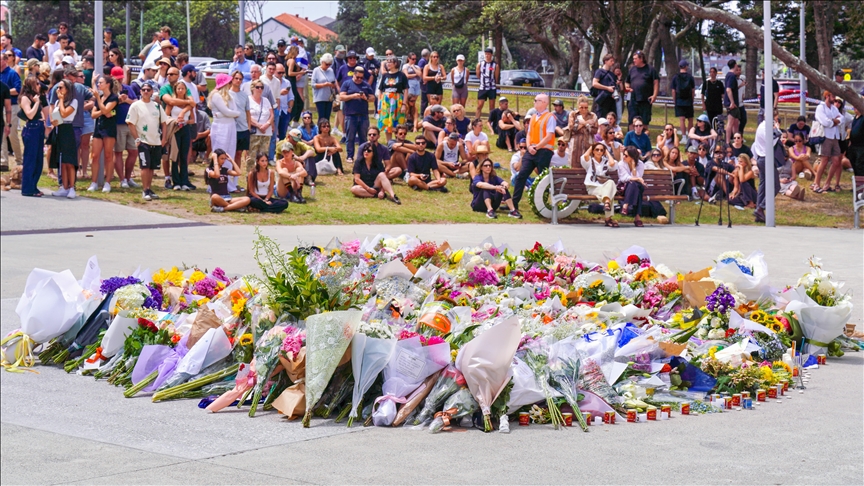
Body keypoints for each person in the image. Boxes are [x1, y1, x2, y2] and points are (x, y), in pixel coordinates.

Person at [125, 80, 168, 201]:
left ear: (152, 92)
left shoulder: (157, 106)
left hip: (156, 140)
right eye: (143, 90)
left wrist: (164, 138)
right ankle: (145, 190)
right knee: (144, 166)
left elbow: (164, 123)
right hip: (143, 141)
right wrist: (137, 138)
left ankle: (149, 188)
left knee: (152, 167)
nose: (145, 92)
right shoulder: (136, 105)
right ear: (140, 91)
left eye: (148, 90)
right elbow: (130, 123)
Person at [512, 94, 556, 210]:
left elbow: (549, 135)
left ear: (544, 102)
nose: (534, 102)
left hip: (544, 151)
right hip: (531, 150)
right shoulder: (533, 117)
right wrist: (529, 146)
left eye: (536, 101)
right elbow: (529, 134)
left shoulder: (550, 117)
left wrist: (536, 147)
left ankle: (543, 205)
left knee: (543, 179)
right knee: (521, 175)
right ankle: (514, 203)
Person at [86, 75, 119, 192]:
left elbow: (106, 110)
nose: (99, 85)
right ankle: (94, 182)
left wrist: (101, 105)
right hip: (98, 128)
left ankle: (108, 182)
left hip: (109, 129)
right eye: (98, 83)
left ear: (107, 84)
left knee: (108, 155)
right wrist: (104, 111)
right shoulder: (99, 96)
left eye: (101, 83)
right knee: (95, 156)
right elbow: (94, 114)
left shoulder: (114, 98)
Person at [18, 77, 47, 197]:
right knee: (30, 159)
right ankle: (27, 188)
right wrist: (36, 103)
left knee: (38, 160)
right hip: (32, 129)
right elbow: (29, 115)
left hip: (39, 128)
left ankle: (33, 186)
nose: (39, 85)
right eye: (37, 84)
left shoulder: (37, 97)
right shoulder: (25, 98)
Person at [751, 111, 782, 223]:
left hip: (763, 158)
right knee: (775, 185)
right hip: (765, 159)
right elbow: (771, 140)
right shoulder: (764, 127)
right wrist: (777, 129)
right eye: (776, 118)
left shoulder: (764, 126)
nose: (777, 121)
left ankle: (758, 212)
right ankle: (761, 207)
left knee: (763, 186)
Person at [111, 66, 139, 189]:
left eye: (121, 78)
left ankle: (128, 178)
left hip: (131, 123)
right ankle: (122, 179)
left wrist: (126, 100)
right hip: (118, 123)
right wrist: (118, 100)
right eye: (117, 78)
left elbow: (137, 102)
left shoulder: (128, 88)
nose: (119, 80)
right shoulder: (111, 90)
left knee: (133, 151)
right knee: (118, 152)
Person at [340, 65, 373, 163]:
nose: (359, 79)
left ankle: (363, 155)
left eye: (361, 78)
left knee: (363, 136)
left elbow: (372, 98)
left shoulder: (366, 85)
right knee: (350, 137)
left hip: (363, 115)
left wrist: (365, 98)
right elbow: (341, 97)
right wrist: (353, 96)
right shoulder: (347, 83)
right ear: (353, 75)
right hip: (350, 114)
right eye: (357, 77)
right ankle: (349, 156)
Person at [812, 91, 843, 194]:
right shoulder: (820, 108)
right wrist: (834, 121)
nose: (834, 98)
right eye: (833, 96)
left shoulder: (834, 108)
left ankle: (827, 183)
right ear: (827, 96)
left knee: (836, 161)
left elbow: (841, 118)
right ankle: (816, 184)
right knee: (824, 160)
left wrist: (833, 121)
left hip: (835, 136)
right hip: (825, 136)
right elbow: (825, 122)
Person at [580, 142, 619, 226]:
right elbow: (586, 156)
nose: (599, 152)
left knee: (611, 183)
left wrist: (607, 152)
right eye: (597, 150)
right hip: (592, 187)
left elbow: (612, 164)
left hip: (604, 186)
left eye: (601, 150)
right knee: (609, 194)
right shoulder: (590, 161)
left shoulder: (605, 161)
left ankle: (606, 203)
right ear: (593, 151)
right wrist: (591, 147)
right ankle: (608, 219)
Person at [208, 73, 240, 175]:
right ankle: (217, 178)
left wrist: (223, 114)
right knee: (220, 152)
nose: (231, 84)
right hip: (220, 127)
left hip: (231, 126)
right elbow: (227, 112)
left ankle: (228, 181)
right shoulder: (216, 95)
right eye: (229, 82)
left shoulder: (230, 96)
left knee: (230, 151)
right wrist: (226, 114)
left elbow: (235, 111)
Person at [377, 56, 409, 143]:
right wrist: (380, 102)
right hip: (386, 102)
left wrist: (404, 104)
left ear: (395, 63)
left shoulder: (401, 75)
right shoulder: (385, 75)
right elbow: (380, 89)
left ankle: (399, 142)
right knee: (387, 123)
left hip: (397, 101)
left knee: (397, 123)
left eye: (390, 62)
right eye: (387, 62)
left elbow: (406, 90)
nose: (387, 64)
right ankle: (389, 143)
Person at [229, 70, 251, 191]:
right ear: (232, 79)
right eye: (236, 78)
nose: (238, 81)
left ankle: (235, 181)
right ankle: (228, 181)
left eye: (240, 79)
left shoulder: (244, 95)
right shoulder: (227, 94)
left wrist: (248, 127)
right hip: (231, 128)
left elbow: (247, 112)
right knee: (230, 154)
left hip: (243, 129)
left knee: (238, 154)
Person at [624, 51, 659, 128]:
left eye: (635, 59)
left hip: (645, 100)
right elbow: (627, 82)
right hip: (633, 99)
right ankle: (631, 138)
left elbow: (656, 83)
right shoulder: (632, 69)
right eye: (633, 59)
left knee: (644, 121)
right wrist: (627, 87)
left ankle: (643, 138)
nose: (634, 60)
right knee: (632, 121)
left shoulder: (650, 69)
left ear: (641, 59)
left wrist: (654, 95)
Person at [1, 52, 23, 170]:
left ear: (5, 61)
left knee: (12, 134)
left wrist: (4, 92)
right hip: (1, 107)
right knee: (2, 135)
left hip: (13, 107)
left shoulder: (12, 73)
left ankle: (19, 161)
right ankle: (4, 162)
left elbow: (18, 90)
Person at [247, 78, 274, 173]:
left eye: (262, 87)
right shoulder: (248, 100)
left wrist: (267, 124)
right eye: (257, 87)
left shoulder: (266, 100)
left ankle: (261, 176)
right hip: (254, 132)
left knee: (263, 157)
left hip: (266, 132)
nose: (260, 89)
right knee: (252, 156)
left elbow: (272, 115)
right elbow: (248, 116)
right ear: (252, 88)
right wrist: (259, 125)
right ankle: (250, 177)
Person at [568, 95, 598, 167]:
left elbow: (595, 130)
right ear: (578, 106)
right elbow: (571, 128)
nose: (584, 109)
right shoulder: (573, 114)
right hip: (576, 141)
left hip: (588, 141)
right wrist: (586, 123)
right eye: (581, 107)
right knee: (574, 162)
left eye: (586, 107)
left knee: (587, 163)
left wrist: (581, 123)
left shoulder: (593, 115)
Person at [671, 59, 695, 145]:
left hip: (679, 100)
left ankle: (684, 137)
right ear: (686, 67)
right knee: (690, 119)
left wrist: (675, 101)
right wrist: (692, 100)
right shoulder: (690, 77)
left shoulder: (675, 77)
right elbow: (693, 90)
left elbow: (673, 91)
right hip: (688, 100)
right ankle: (690, 137)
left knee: (682, 119)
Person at [619, 146, 646, 226]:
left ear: (632, 157)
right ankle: (637, 218)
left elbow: (638, 176)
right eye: (623, 154)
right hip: (624, 187)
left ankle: (625, 205)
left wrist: (633, 166)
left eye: (626, 155)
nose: (624, 157)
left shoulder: (640, 164)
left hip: (634, 187)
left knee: (636, 185)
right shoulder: (621, 163)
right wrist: (636, 178)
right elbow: (623, 178)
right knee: (635, 185)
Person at [311, 53, 337, 122]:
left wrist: (332, 85)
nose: (328, 66)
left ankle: (326, 131)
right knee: (321, 117)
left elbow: (334, 82)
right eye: (326, 64)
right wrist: (324, 85)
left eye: (329, 64)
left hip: (329, 97)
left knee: (327, 117)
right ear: (322, 62)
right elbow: (313, 85)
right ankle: (320, 131)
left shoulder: (331, 70)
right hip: (320, 97)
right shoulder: (316, 70)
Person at [723, 59, 743, 147]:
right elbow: (728, 89)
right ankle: (727, 142)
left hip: (734, 102)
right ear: (735, 65)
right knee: (730, 122)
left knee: (735, 122)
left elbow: (732, 88)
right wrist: (732, 102)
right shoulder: (731, 76)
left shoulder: (729, 75)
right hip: (732, 103)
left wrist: (740, 86)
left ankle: (736, 139)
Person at [592, 54, 618, 120]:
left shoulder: (612, 74)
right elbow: (594, 83)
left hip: (611, 101)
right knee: (601, 119)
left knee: (612, 119)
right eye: (611, 61)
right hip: (602, 100)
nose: (613, 63)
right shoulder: (599, 72)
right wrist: (607, 88)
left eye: (613, 61)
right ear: (606, 61)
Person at [475, 47, 498, 119]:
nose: (487, 55)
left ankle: (491, 121)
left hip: (491, 87)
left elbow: (496, 76)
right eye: (486, 54)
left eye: (488, 54)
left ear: (491, 55)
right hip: (483, 87)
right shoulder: (480, 64)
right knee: (479, 105)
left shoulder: (495, 65)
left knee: (492, 107)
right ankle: (477, 119)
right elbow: (478, 75)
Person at [403, 52, 423, 131]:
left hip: (417, 84)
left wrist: (413, 68)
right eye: (412, 59)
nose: (414, 60)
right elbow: (406, 75)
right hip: (410, 83)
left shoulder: (416, 66)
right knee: (409, 99)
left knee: (413, 102)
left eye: (415, 59)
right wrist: (415, 74)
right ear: (409, 58)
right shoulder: (405, 66)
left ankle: (413, 120)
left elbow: (420, 74)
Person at [848, 105, 864, 177]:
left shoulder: (863, 118)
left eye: (856, 106)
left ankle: (861, 185)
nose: (855, 108)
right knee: (853, 162)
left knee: (859, 164)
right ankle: (857, 184)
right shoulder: (855, 118)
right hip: (853, 145)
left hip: (861, 146)